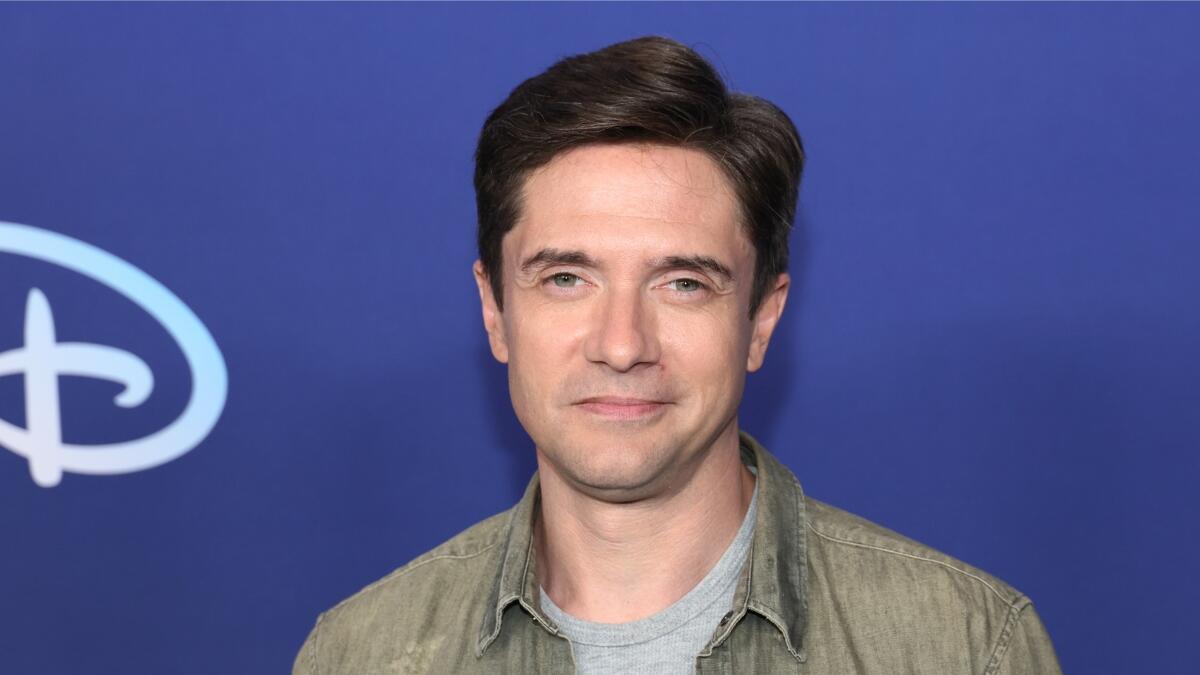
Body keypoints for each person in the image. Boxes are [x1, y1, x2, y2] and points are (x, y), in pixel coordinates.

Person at [293, 36, 1062, 675]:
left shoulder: (964, 648)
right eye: (566, 278)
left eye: (683, 283)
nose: (622, 344)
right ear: (495, 311)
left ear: (760, 320)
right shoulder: (361, 655)